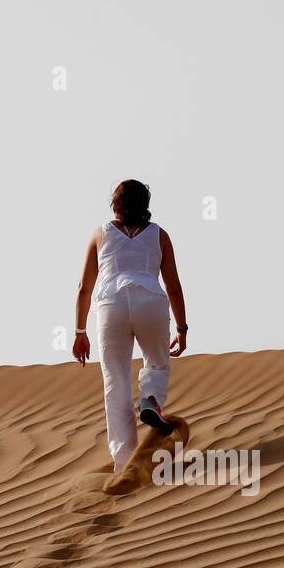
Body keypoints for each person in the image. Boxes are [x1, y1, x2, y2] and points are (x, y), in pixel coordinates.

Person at [72, 180, 188, 474]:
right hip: (150, 301)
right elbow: (173, 287)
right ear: (145, 203)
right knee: (157, 364)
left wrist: (80, 332)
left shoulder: (100, 234)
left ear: (116, 204)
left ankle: (124, 462)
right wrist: (183, 329)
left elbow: (84, 289)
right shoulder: (159, 235)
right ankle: (150, 399)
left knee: (116, 383)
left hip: (111, 307)